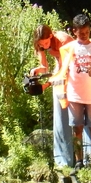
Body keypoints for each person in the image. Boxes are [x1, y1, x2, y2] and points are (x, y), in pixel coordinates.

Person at [64, 14, 91, 168]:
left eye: (87, 32)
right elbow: (61, 70)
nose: (84, 35)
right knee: (77, 130)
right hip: (74, 95)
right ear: (74, 31)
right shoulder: (68, 49)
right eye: (81, 33)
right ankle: (79, 161)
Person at [31, 25, 76, 167]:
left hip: (73, 71)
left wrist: (47, 84)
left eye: (46, 43)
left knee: (74, 118)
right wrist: (38, 70)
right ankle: (62, 160)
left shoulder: (63, 39)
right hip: (60, 71)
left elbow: (67, 66)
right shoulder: (39, 44)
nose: (44, 46)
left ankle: (79, 158)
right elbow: (44, 67)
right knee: (60, 119)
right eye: (41, 44)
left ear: (51, 36)